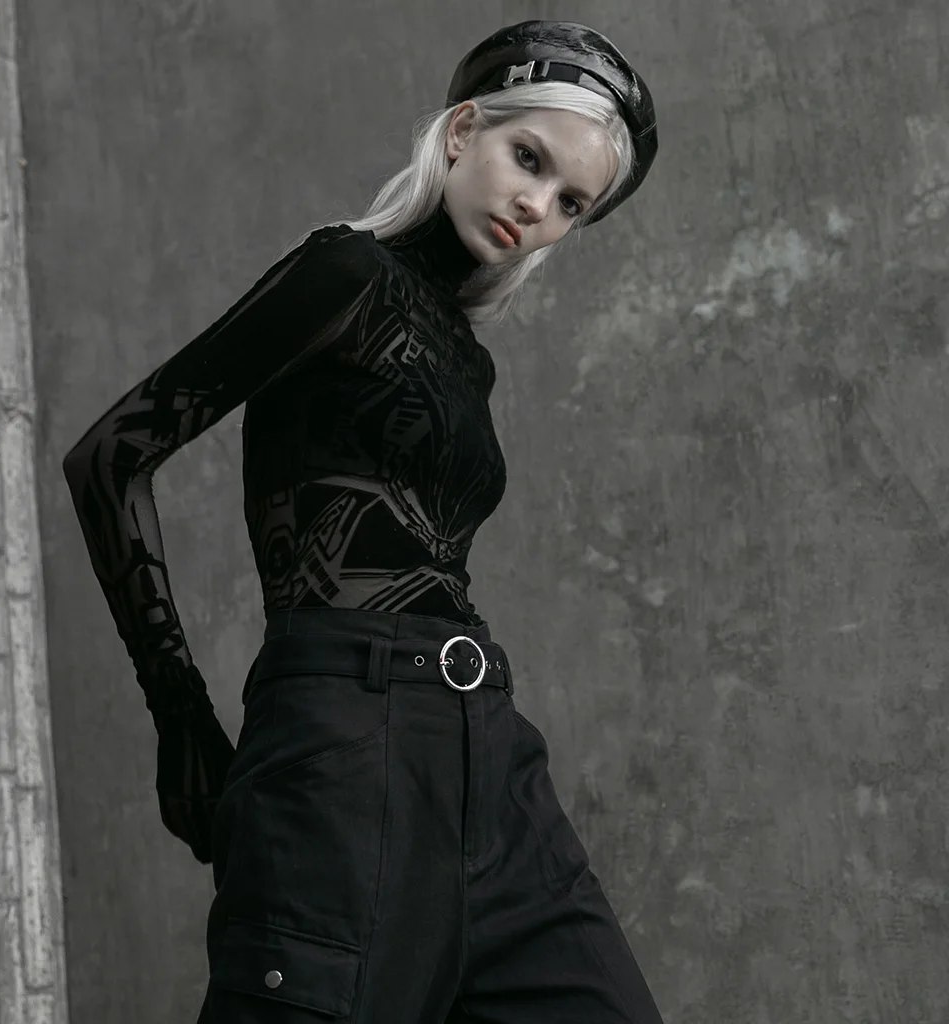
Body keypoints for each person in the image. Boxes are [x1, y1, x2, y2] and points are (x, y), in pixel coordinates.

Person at [62, 19, 664, 1024]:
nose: (537, 206)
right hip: (346, 739)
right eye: (529, 159)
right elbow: (110, 456)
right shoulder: (341, 276)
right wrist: (181, 715)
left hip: (488, 755)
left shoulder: (469, 359)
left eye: (571, 202)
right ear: (464, 130)